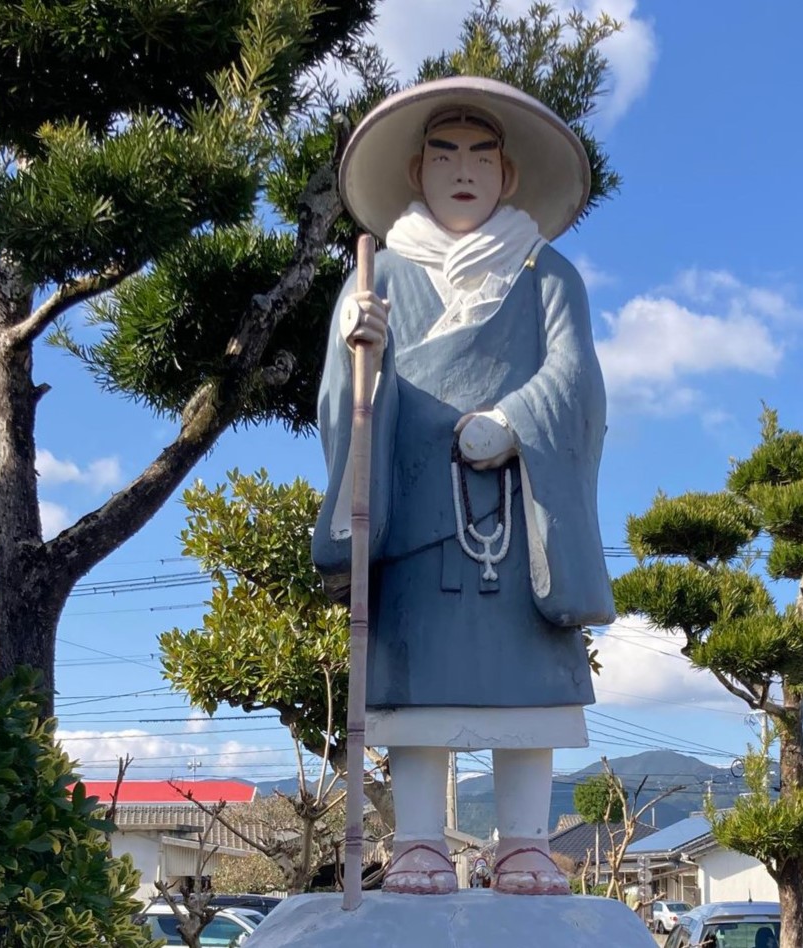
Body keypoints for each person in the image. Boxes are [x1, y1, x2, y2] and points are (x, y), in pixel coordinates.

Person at [313, 77, 614, 896]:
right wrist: (357, 352)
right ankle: (417, 840)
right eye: (444, 155)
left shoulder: (548, 274)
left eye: (482, 157)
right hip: (415, 509)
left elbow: (576, 381)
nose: (463, 171)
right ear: (417, 171)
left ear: (508, 176)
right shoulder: (378, 275)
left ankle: (524, 840)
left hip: (522, 512)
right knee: (415, 684)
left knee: (526, 681)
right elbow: (343, 401)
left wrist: (515, 420)